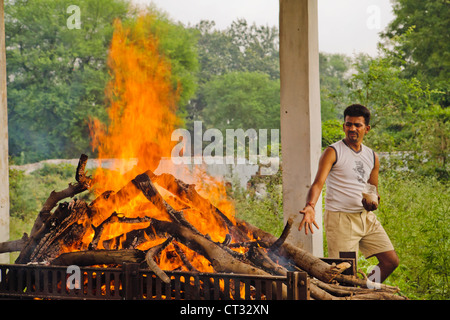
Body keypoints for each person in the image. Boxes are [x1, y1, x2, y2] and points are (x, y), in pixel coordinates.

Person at [298, 104, 399, 283]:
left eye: (357, 125)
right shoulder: (333, 151)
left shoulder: (372, 156)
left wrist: (373, 203)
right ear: (343, 126)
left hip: (366, 218)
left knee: (390, 261)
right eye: (348, 124)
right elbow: (317, 184)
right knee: (345, 275)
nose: (352, 128)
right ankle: (348, 293)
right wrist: (310, 206)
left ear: (366, 129)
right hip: (341, 220)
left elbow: (372, 190)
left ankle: (365, 292)